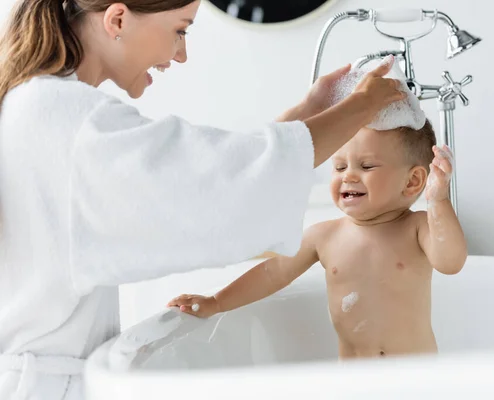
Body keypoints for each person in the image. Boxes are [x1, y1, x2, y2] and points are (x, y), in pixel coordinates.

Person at [0, 0, 406, 398]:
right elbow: (214, 187)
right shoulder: (71, 120)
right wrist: (363, 104)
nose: (181, 54)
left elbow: (210, 176)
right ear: (118, 19)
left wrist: (311, 110)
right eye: (180, 30)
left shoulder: (40, 106)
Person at [168, 121, 468, 359]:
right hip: (354, 385)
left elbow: (451, 262)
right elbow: (273, 274)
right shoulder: (324, 236)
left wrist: (438, 201)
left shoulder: (417, 228)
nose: (348, 176)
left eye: (366, 166)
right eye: (339, 167)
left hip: (416, 383)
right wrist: (217, 301)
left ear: (413, 181)